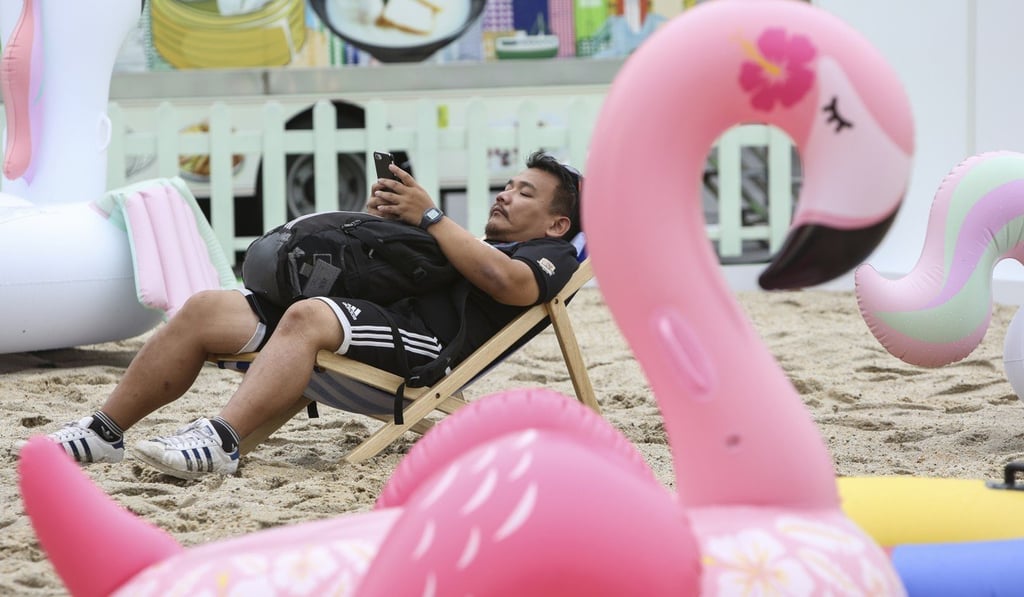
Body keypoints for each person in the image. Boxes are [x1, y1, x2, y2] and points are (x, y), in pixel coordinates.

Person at [17, 151, 583, 480]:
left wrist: (432, 217)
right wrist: (389, 230)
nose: (505, 194)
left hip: (422, 351)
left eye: (525, 193)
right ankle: (103, 432)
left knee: (309, 316)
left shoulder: (548, 255)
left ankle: (222, 442)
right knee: (206, 308)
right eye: (508, 185)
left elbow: (508, 285)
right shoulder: (469, 243)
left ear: (557, 224)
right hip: (363, 328)